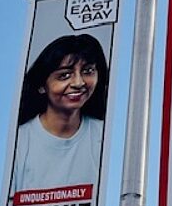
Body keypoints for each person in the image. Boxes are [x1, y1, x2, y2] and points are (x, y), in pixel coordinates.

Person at [12, 34, 108, 193]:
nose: (79, 83)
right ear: (42, 85)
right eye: (64, 75)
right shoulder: (20, 142)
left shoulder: (103, 136)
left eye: (88, 71)